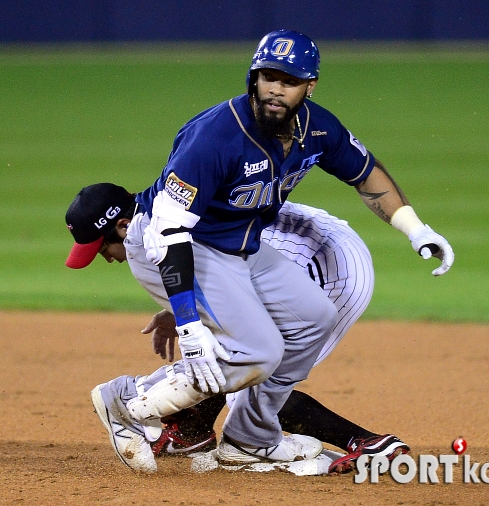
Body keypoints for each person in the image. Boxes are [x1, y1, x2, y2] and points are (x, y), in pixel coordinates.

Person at [65, 29, 453, 474]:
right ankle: (125, 400)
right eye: (267, 76)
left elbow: (364, 175)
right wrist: (189, 322)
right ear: (254, 77)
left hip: (241, 248)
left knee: (314, 320)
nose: (274, 88)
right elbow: (170, 230)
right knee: (257, 351)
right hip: (176, 243)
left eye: (288, 81)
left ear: (310, 87)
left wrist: (415, 227)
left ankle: (250, 437)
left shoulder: (318, 128)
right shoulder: (214, 136)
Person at [65, 182, 410, 473]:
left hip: (322, 260)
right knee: (240, 355)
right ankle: (192, 429)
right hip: (293, 238)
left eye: (101, 247)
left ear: (122, 224)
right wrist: (180, 310)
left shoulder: (150, 238)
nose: (105, 257)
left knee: (254, 369)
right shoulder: (157, 214)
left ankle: (365, 442)